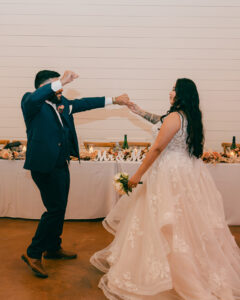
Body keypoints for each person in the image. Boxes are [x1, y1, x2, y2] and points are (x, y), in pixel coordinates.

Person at [90, 78, 240, 300]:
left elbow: (158, 147)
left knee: (162, 219)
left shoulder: (175, 117)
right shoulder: (190, 116)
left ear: (181, 94)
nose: (169, 92)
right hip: (187, 172)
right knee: (185, 221)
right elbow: (159, 120)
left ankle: (171, 272)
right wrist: (138, 110)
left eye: (173, 89)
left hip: (169, 172)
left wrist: (137, 175)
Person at [21, 70, 130, 278]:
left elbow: (86, 103)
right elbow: (36, 96)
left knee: (60, 207)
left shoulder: (63, 104)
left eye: (60, 84)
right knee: (54, 209)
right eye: (54, 84)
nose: (60, 88)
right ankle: (33, 253)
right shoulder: (31, 103)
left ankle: (53, 247)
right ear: (43, 87)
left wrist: (115, 100)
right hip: (43, 166)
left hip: (61, 164)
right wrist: (60, 81)